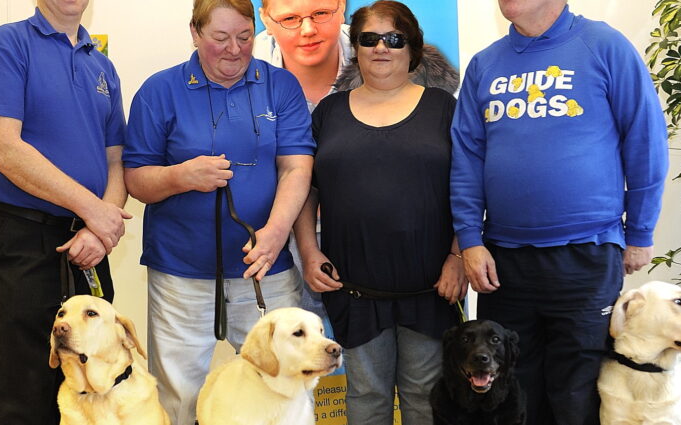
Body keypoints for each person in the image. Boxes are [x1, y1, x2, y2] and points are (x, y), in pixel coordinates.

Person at [450, 0, 669, 424]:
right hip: (503, 260)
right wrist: (470, 241)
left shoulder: (604, 46)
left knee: (577, 393)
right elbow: (466, 158)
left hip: (585, 254)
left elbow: (645, 139)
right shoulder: (485, 65)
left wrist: (640, 232)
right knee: (509, 390)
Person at [122, 0, 315, 423]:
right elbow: (136, 180)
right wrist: (180, 177)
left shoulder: (281, 87)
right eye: (221, 38)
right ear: (195, 32)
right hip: (181, 273)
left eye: (245, 37)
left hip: (265, 270)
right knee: (178, 396)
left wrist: (276, 233)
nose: (234, 50)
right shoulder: (159, 91)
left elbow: (297, 167)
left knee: (283, 389)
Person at [293, 2, 466, 424]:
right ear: (356, 48)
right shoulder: (329, 113)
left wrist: (459, 257)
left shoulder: (445, 108)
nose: (381, 48)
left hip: (431, 290)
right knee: (366, 397)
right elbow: (305, 191)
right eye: (369, 39)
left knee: (425, 399)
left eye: (394, 39)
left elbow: (470, 190)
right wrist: (310, 251)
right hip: (355, 291)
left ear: (414, 49)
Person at [0, 0, 130, 423]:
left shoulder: (101, 66)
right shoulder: (7, 45)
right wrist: (93, 211)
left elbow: (117, 161)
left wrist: (99, 228)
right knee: (29, 376)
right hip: (24, 232)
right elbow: (3, 146)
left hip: (88, 242)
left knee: (96, 372)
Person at [253, 0, 352, 110]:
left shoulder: (370, 50)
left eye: (321, 13)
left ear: (342, 7)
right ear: (266, 21)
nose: (308, 30)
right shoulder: (242, 71)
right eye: (289, 18)